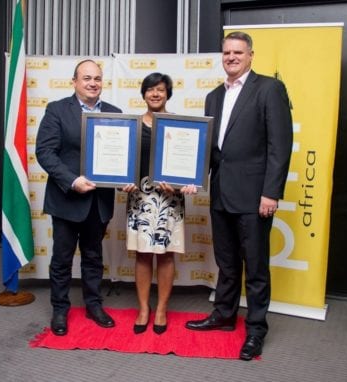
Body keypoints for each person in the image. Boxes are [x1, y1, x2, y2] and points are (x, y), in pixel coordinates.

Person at [184, 31, 293, 360]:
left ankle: (256, 329)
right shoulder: (214, 96)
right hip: (220, 194)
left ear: (250, 55)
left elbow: (280, 146)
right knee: (227, 264)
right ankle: (224, 316)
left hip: (255, 196)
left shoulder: (269, 89)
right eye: (227, 52)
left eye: (238, 52)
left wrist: (271, 193)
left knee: (256, 267)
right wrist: (194, 177)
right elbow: (211, 149)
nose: (231, 57)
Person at [36, 59, 122, 336]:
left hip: (98, 203)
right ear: (74, 82)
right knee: (61, 259)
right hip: (66, 200)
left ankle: (93, 305)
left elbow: (121, 155)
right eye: (86, 78)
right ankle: (60, 309)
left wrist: (126, 177)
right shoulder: (57, 110)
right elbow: (45, 152)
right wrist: (72, 181)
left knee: (94, 257)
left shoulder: (115, 112)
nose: (93, 83)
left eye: (97, 78)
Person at [123, 72, 196, 335]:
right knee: (142, 255)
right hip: (139, 196)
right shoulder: (130, 125)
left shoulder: (180, 125)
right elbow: (121, 161)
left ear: (168, 94)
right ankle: (144, 308)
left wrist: (189, 182)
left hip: (170, 199)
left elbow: (191, 164)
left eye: (161, 90)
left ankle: (162, 309)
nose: (155, 94)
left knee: (165, 256)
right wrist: (122, 180)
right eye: (150, 89)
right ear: (143, 93)